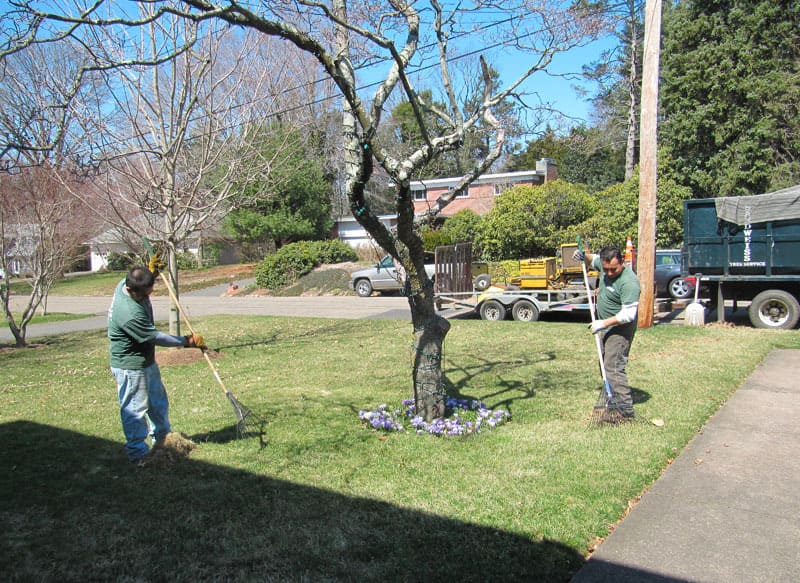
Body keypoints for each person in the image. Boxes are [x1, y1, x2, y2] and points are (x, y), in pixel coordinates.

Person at [108, 262, 205, 464]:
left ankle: (163, 441)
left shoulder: (129, 282)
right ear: (129, 289)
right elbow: (155, 337)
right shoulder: (128, 312)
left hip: (146, 362)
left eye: (150, 293)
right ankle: (138, 454)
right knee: (134, 410)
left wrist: (152, 270)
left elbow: (142, 278)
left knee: (157, 403)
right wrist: (185, 342)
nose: (147, 298)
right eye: (143, 295)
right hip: (130, 366)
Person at [574, 245, 641, 421]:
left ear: (622, 262)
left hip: (619, 329)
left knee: (613, 366)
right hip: (605, 327)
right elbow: (592, 259)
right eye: (606, 270)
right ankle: (613, 401)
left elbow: (628, 315)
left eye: (614, 269)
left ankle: (625, 411)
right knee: (604, 366)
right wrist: (583, 256)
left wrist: (602, 323)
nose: (609, 273)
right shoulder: (603, 266)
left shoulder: (629, 282)